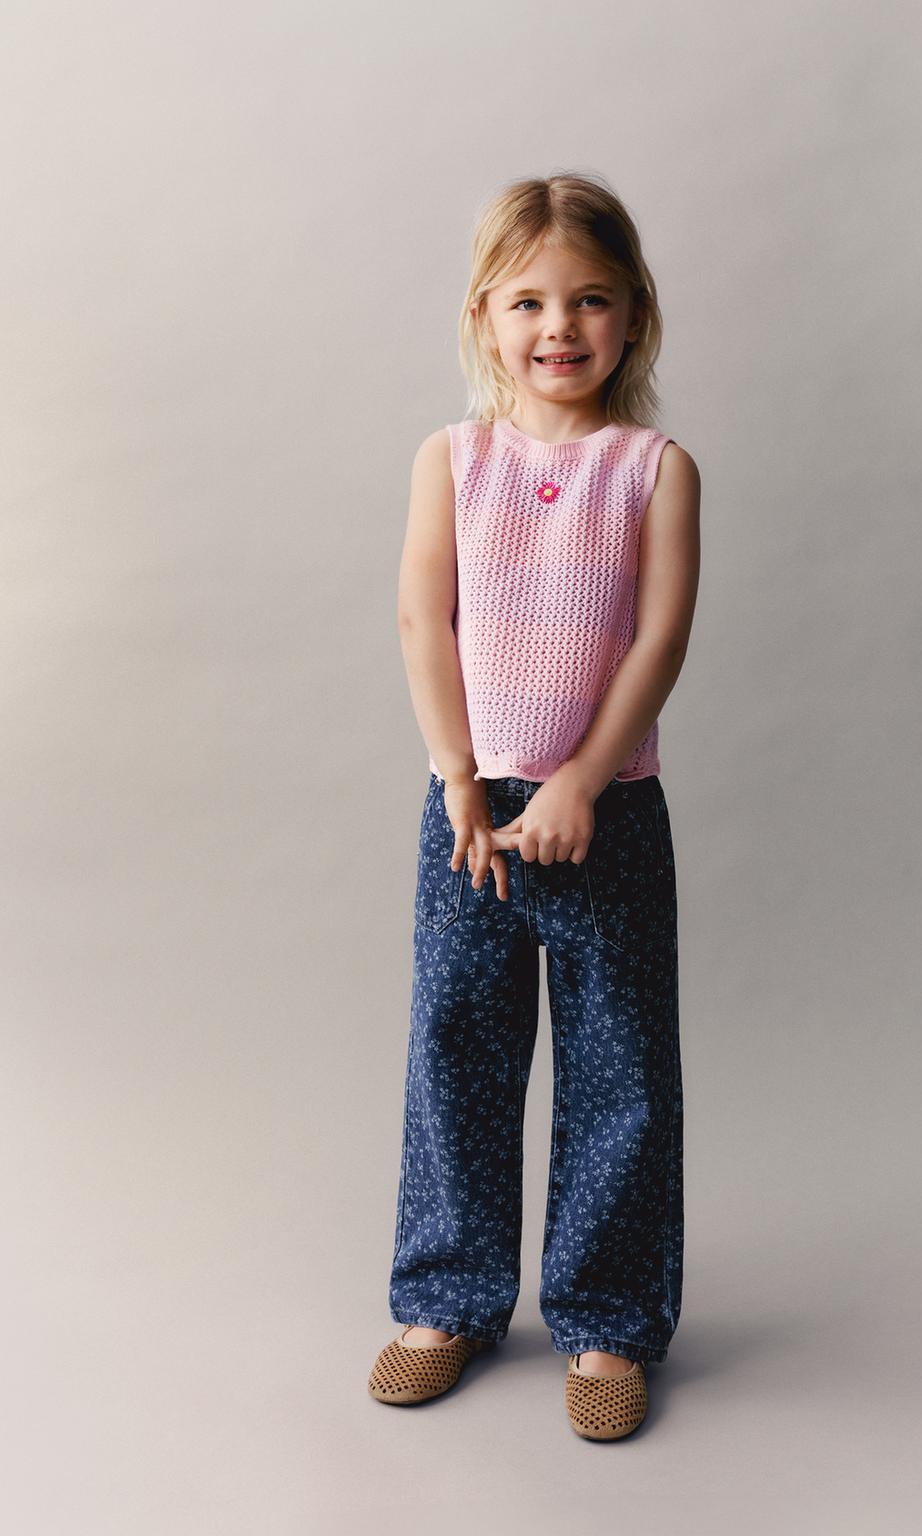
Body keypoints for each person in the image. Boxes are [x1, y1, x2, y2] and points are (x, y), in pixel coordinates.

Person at [368, 171, 701, 1440]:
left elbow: (657, 641)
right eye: (529, 302)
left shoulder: (654, 470)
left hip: (605, 810)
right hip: (469, 808)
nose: (559, 327)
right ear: (483, 316)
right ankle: (446, 1299)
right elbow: (424, 618)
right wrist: (458, 774)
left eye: (590, 300)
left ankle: (609, 1321)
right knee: (457, 1049)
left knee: (620, 1069)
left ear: (633, 316)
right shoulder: (452, 460)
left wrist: (577, 781)